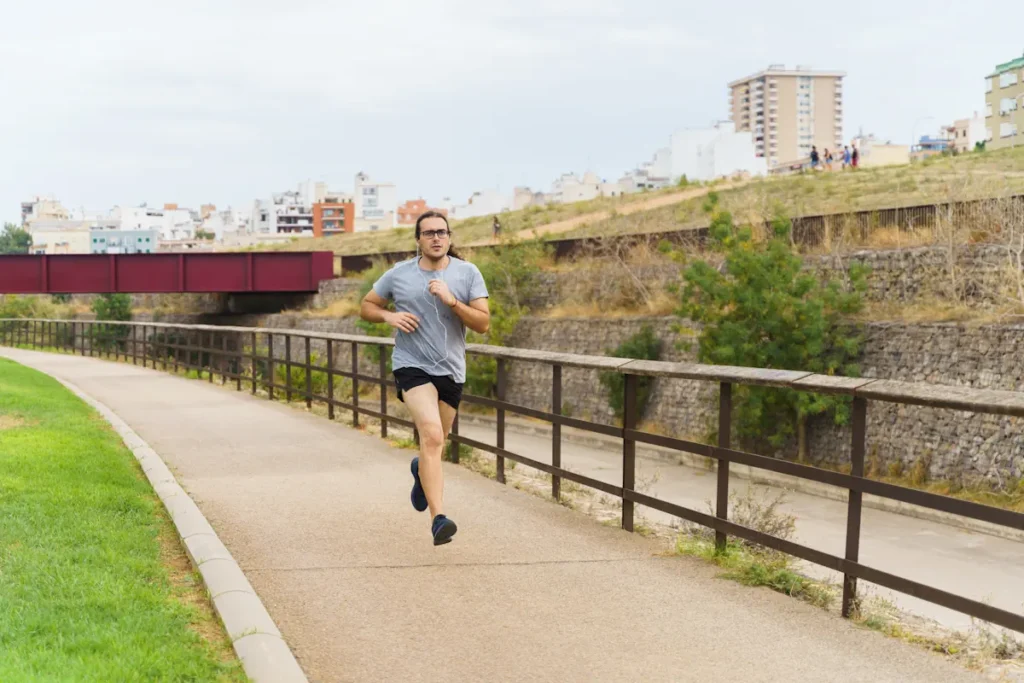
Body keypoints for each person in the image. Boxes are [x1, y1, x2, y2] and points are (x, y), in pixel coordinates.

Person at [359, 211, 490, 546]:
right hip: (411, 365)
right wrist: (389, 315)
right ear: (418, 239)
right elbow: (367, 305)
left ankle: (421, 469)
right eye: (429, 233)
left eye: (442, 232)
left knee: (437, 442)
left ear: (449, 237)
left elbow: (482, 324)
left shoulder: (467, 273)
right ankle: (439, 519)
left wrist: (452, 301)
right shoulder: (399, 274)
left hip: (451, 370)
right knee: (431, 436)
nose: (436, 238)